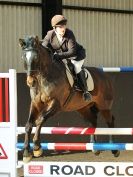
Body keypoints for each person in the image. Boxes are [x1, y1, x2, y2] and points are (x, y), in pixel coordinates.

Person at [42, 14, 91, 101]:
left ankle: (85, 91)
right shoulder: (50, 35)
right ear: (54, 28)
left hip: (77, 55)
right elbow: (44, 47)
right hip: (63, 57)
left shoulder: (69, 33)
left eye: (64, 26)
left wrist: (58, 55)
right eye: (60, 27)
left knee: (76, 66)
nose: (63, 28)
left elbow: (72, 52)